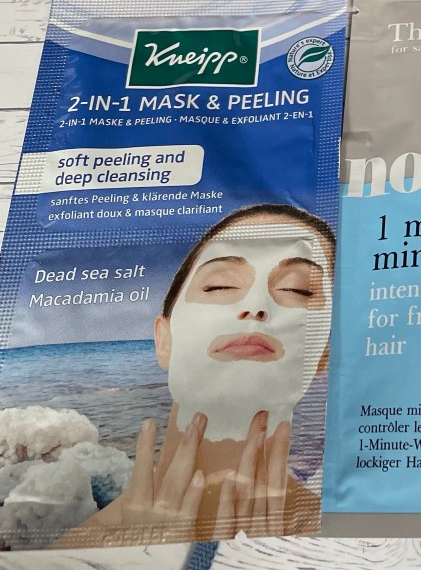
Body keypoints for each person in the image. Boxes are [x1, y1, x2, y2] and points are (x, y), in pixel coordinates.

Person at [56, 203, 334, 546]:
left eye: (297, 290)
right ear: (164, 340)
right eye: (219, 286)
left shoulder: (354, 545)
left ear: (325, 352)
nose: (256, 305)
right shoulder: (68, 554)